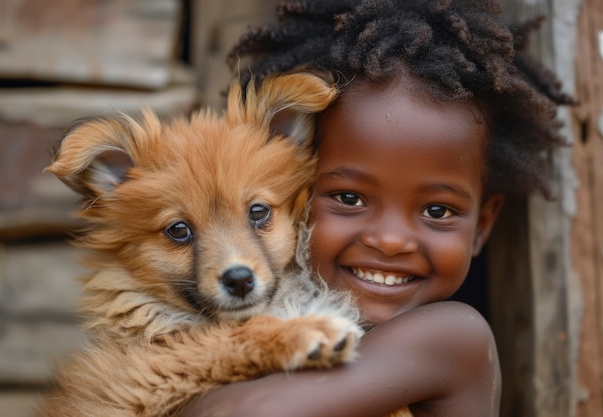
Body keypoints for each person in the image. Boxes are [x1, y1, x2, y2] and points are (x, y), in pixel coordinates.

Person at [181, 1, 572, 416]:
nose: (389, 240)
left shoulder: (453, 338)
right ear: (292, 200)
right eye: (349, 199)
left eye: (437, 211)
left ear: (482, 225)